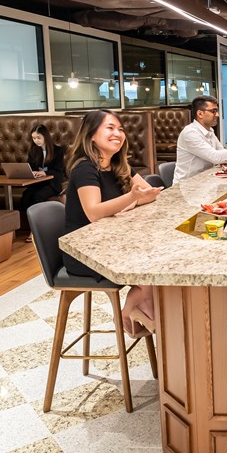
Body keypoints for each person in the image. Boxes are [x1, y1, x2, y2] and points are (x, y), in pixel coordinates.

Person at [63, 109, 162, 337]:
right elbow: (94, 213)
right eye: (110, 128)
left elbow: (150, 193)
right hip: (84, 252)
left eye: (121, 129)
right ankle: (132, 313)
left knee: (159, 260)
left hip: (108, 243)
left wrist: (131, 200)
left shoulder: (118, 164)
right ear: (91, 135)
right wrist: (131, 198)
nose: (118, 133)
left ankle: (142, 312)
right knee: (150, 266)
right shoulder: (85, 168)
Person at [20, 124, 65, 242]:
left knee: (38, 196)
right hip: (38, 183)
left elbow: (59, 171)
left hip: (52, 183)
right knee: (26, 196)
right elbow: (30, 167)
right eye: (34, 138)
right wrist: (32, 172)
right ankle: (30, 226)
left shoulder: (57, 151)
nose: (36, 141)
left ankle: (35, 231)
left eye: (38, 138)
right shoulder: (33, 150)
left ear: (45, 136)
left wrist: (45, 173)